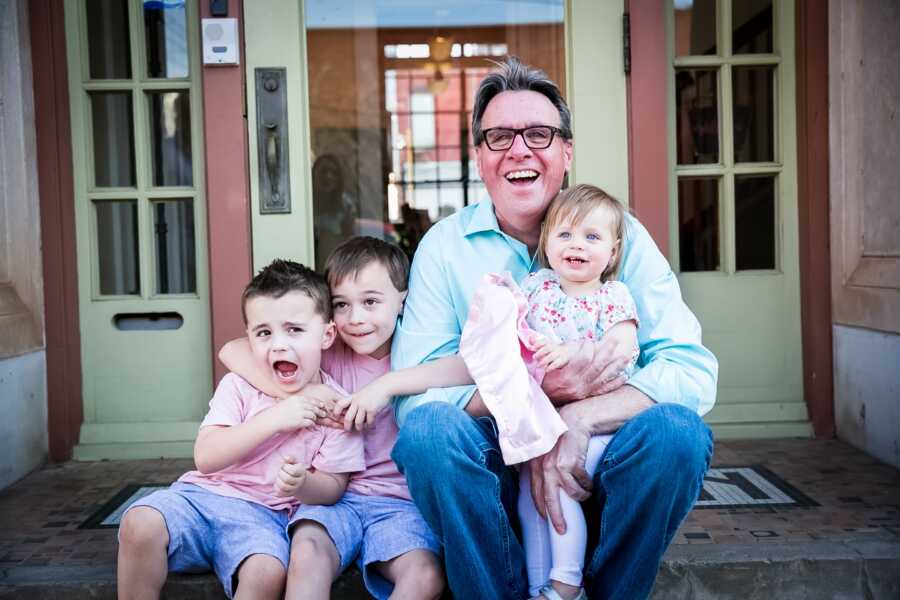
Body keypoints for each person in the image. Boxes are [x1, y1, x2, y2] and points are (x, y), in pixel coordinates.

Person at [389, 56, 718, 599]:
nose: (519, 149)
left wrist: (579, 418)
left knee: (677, 435)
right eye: (499, 137)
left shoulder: (619, 237)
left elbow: (691, 370)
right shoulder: (445, 248)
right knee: (428, 436)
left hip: (600, 459)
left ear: (566, 152)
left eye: (538, 134)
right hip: (490, 470)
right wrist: (531, 406)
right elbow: (420, 396)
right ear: (480, 157)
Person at [116, 259, 366, 600]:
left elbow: (335, 487)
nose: (278, 344)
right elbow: (206, 457)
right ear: (248, 338)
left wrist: (304, 484)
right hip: (200, 501)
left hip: (264, 518)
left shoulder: (336, 408)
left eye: (294, 330)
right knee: (139, 521)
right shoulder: (239, 385)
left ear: (326, 335)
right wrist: (278, 417)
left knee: (267, 573)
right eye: (264, 333)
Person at [218, 237, 444, 600]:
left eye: (370, 302)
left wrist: (387, 385)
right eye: (341, 305)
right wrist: (297, 395)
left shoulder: (416, 350)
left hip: (400, 505)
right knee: (306, 552)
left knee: (426, 575)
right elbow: (231, 350)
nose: (355, 319)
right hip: (332, 499)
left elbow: (465, 369)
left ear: (403, 299)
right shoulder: (327, 347)